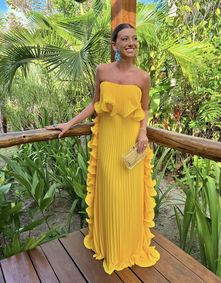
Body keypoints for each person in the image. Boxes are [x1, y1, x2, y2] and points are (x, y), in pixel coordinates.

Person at [46, 23, 160, 275]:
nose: (131, 43)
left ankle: (128, 246)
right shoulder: (102, 71)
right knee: (109, 192)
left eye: (134, 38)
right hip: (108, 140)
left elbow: (145, 109)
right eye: (124, 39)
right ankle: (109, 244)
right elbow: (94, 103)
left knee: (129, 195)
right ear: (115, 45)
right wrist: (69, 123)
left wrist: (143, 132)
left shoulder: (143, 77)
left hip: (131, 141)